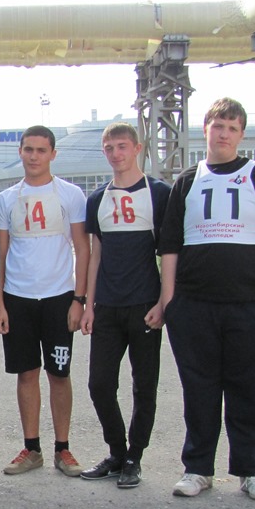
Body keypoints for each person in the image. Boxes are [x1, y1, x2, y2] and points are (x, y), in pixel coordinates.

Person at [158, 97, 255, 501]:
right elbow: (170, 247)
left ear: (241, 135)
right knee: (199, 389)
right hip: (194, 305)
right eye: (218, 126)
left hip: (252, 305)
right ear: (206, 129)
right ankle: (198, 468)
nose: (224, 134)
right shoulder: (187, 181)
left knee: (246, 389)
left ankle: (251, 471)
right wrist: (170, 300)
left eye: (232, 128)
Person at [0, 125, 90, 478]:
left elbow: (82, 248)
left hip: (59, 298)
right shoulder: (6, 199)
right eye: (28, 149)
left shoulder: (71, 194)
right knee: (26, 373)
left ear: (52, 154)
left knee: (59, 374)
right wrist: (0, 303)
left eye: (41, 150)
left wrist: (79, 299)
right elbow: (0, 254)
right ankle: (31, 448)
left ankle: (63, 448)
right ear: (20, 152)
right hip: (18, 298)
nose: (34, 156)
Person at [80, 123, 170, 489]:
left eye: (122, 146)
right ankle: (117, 452)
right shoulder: (97, 199)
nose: (116, 154)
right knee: (99, 384)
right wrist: (88, 305)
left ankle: (135, 457)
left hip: (145, 305)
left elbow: (170, 253)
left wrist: (164, 302)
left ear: (137, 148)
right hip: (107, 305)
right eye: (109, 148)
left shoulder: (159, 194)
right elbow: (95, 255)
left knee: (144, 386)